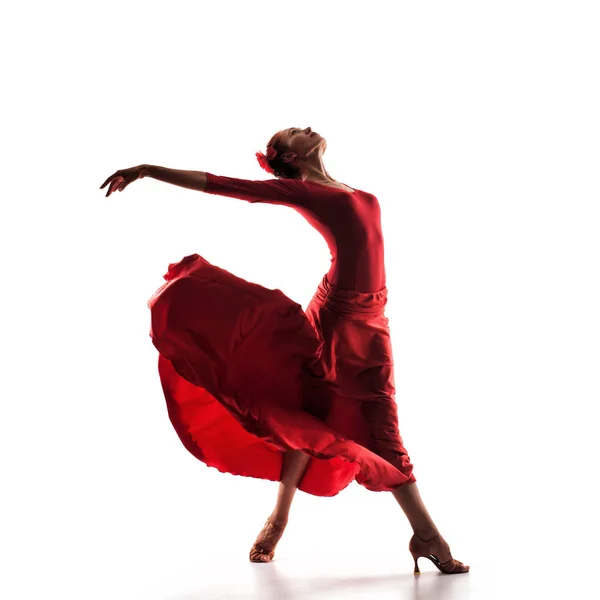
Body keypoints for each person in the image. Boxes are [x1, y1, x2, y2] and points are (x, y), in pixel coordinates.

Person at [100, 127, 469, 575]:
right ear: (290, 157)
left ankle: (279, 519)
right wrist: (148, 170)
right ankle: (426, 534)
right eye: (293, 132)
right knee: (376, 423)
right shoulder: (304, 191)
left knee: (311, 407)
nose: (305, 127)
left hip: (364, 311)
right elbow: (222, 184)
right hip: (346, 318)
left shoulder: (343, 187)